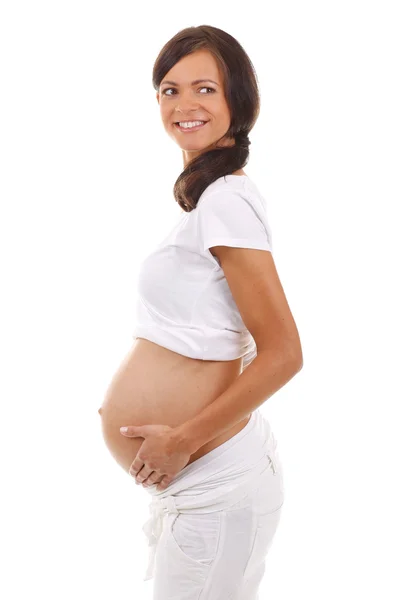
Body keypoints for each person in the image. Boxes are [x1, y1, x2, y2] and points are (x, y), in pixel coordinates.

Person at [118, 24, 303, 599]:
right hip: (206, 487)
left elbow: (284, 354)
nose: (184, 104)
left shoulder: (226, 202)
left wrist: (182, 440)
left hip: (215, 484)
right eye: (169, 90)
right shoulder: (214, 198)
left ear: (238, 101)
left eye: (206, 89)